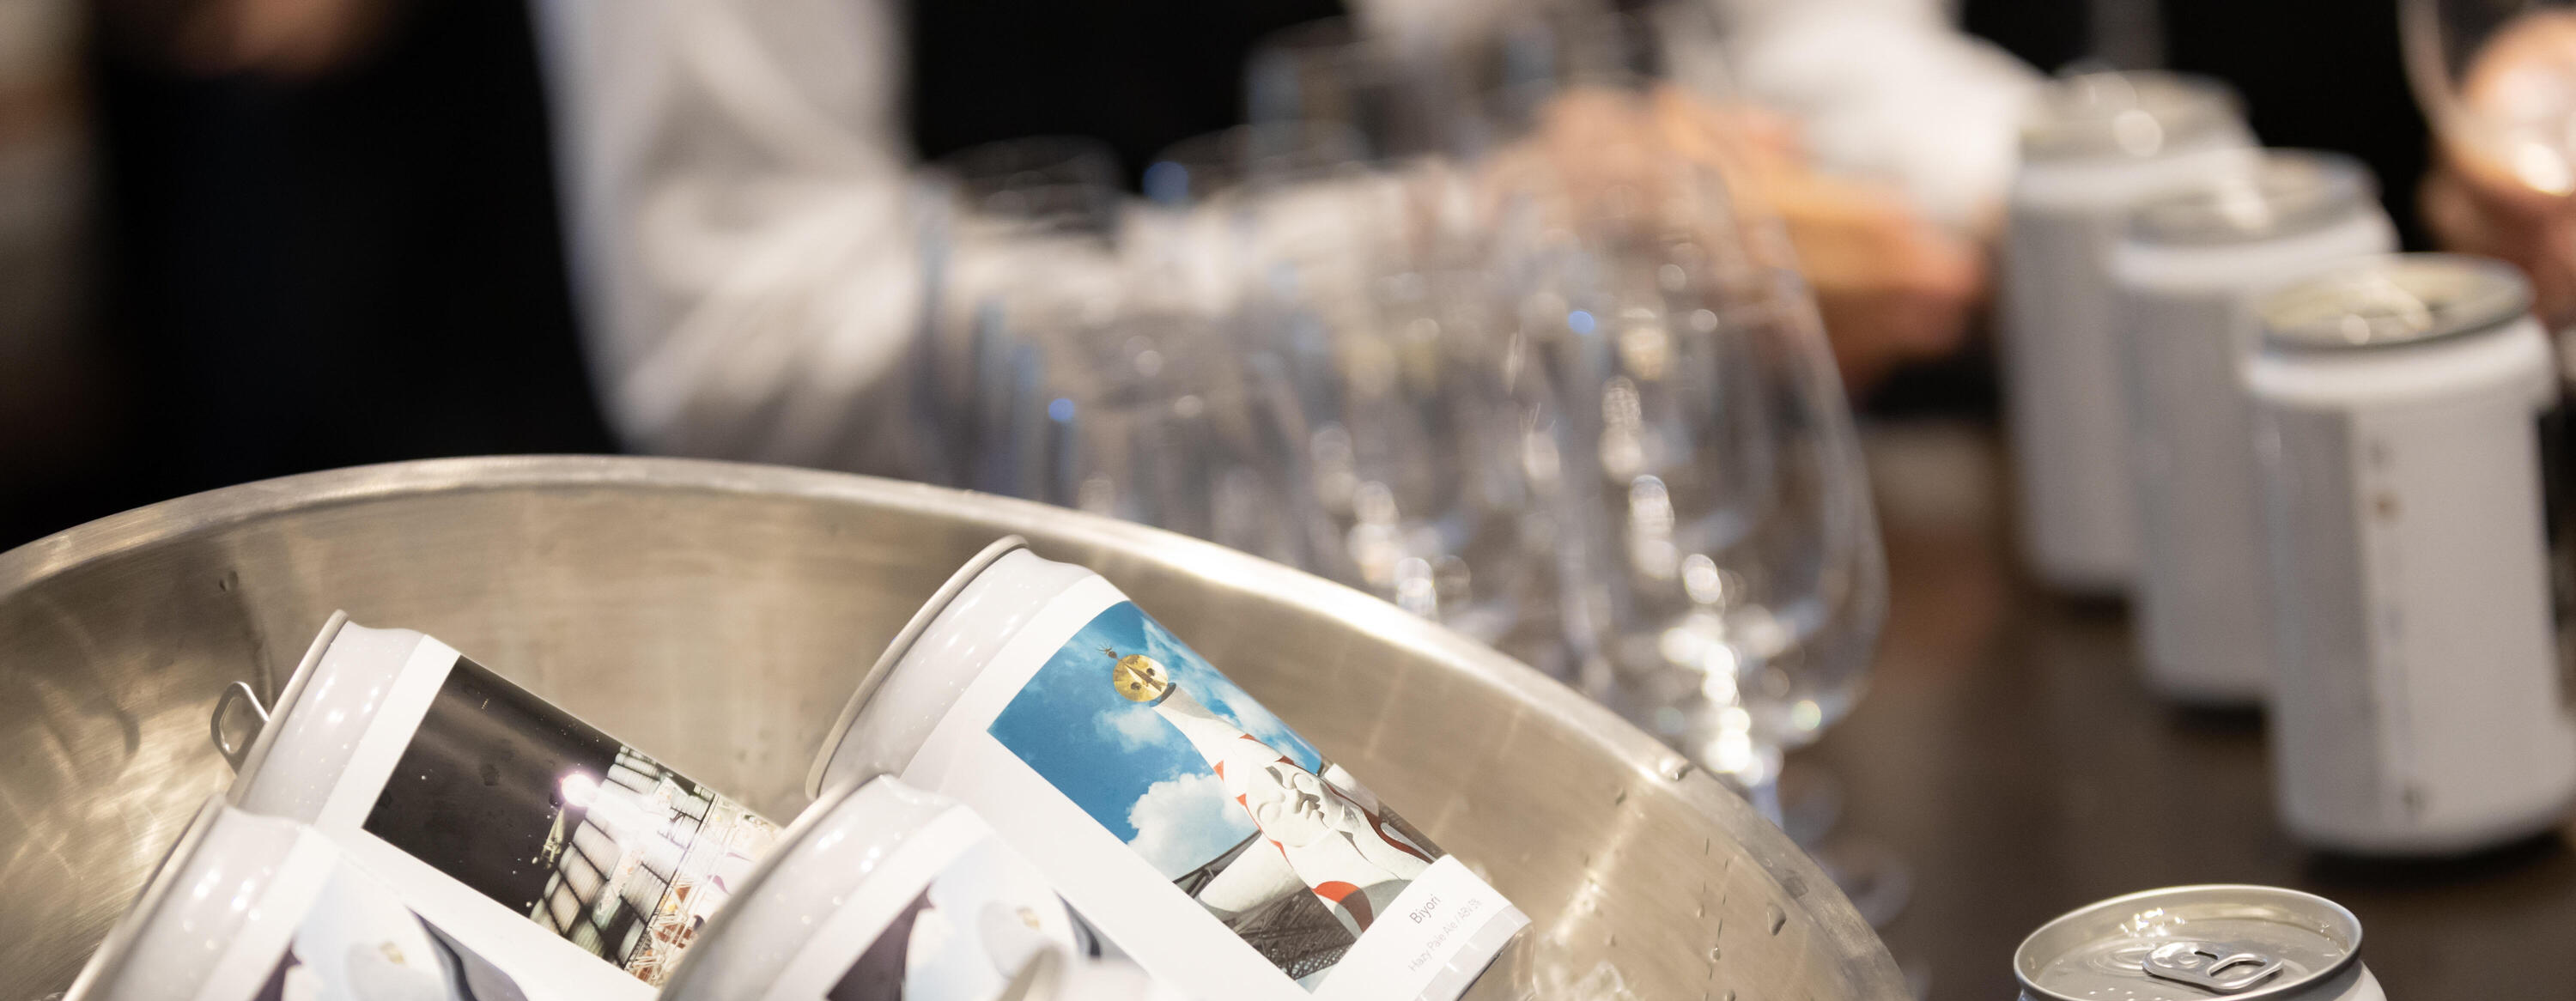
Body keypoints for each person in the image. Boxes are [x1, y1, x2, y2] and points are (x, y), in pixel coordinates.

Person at [526, 0, 2009, 478]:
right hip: (1079, 661)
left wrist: (2044, 191)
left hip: (1626, 516)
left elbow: (1811, 48)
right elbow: (745, 333)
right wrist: (1448, 263)